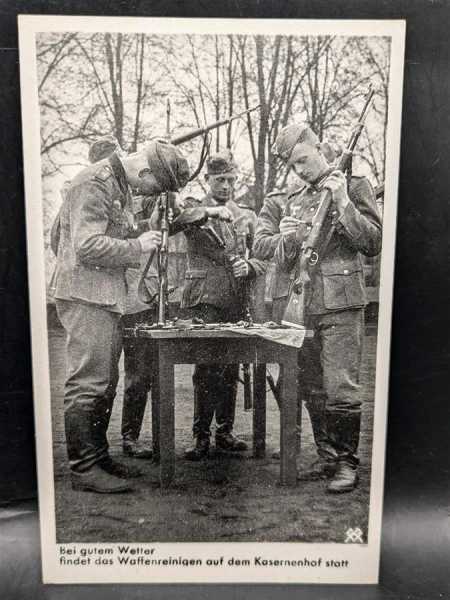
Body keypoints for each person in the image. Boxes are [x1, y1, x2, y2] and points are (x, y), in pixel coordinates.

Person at [54, 139, 190, 494]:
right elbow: (86, 246)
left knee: (104, 382)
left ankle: (98, 457)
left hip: (104, 296)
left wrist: (143, 228)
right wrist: (138, 245)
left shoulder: (117, 183)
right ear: (144, 171)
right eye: (151, 187)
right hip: (86, 295)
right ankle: (84, 468)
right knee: (88, 383)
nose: (147, 193)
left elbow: (111, 232)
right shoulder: (95, 182)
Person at [254, 123, 382, 493]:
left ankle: (347, 463)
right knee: (311, 386)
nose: (300, 171)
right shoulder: (293, 197)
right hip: (303, 303)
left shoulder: (354, 186)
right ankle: (327, 456)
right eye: (293, 166)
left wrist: (342, 202)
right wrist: (290, 236)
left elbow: (372, 242)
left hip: (341, 302)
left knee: (341, 385)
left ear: (320, 147)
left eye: (304, 161)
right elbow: (275, 253)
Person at [180, 150, 266, 461]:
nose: (227, 186)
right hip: (204, 299)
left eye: (231, 180)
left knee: (231, 367)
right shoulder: (193, 209)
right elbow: (181, 221)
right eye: (220, 180)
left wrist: (250, 266)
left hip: (235, 299)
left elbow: (262, 256)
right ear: (207, 180)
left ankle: (225, 432)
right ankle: (200, 436)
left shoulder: (246, 215)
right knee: (206, 368)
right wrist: (211, 212)